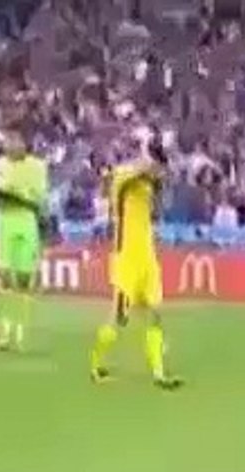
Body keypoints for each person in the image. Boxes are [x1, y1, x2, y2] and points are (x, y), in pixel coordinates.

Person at [89, 136, 182, 389]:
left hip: (147, 255)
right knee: (119, 317)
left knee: (156, 313)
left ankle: (159, 374)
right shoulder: (124, 177)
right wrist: (151, 168)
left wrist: (159, 177)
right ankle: (96, 365)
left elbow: (158, 200)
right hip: (126, 256)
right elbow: (128, 177)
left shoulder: (149, 182)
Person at [0, 131, 48, 352]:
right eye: (7, 142)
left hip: (26, 221)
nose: (10, 145)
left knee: (24, 279)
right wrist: (15, 196)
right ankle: (5, 330)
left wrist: (13, 196)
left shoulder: (38, 167)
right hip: (5, 221)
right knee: (5, 277)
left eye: (15, 140)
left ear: (24, 143)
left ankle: (21, 331)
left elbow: (37, 199)